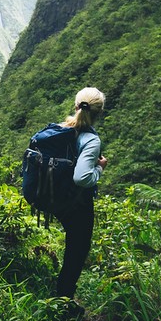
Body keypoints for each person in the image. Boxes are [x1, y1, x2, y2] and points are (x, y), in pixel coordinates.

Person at [54, 86, 107, 301]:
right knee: (78, 250)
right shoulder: (91, 140)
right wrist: (100, 168)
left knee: (73, 244)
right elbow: (81, 178)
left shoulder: (60, 129)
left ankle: (62, 294)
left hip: (55, 195)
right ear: (99, 113)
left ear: (76, 106)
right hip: (76, 203)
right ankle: (63, 301)